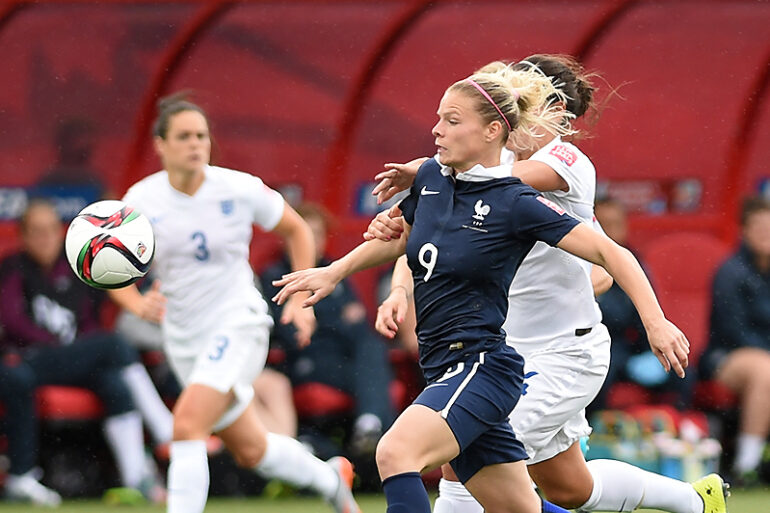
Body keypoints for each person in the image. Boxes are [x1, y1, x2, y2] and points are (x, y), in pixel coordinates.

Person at [272, 66, 689, 513]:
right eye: (440, 119)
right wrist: (375, 281)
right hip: (495, 351)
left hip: (542, 355)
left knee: (416, 460)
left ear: (505, 124)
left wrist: (655, 321)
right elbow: (418, 236)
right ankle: (693, 501)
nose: (437, 130)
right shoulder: (448, 178)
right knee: (567, 489)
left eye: (452, 121)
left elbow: (606, 254)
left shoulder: (545, 174)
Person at [367, 55, 726, 513]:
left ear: (554, 110)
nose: (513, 112)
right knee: (568, 486)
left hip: (563, 354)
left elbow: (492, 184)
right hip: (505, 352)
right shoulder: (483, 167)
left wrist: (429, 170)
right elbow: (434, 238)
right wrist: (400, 285)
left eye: (522, 100)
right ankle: (694, 502)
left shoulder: (565, 159)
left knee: (465, 457)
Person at [107, 94, 360, 513]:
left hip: (238, 323)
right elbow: (108, 267)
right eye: (184, 136)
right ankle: (330, 477)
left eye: (201, 136)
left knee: (186, 425)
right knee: (252, 450)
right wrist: (135, 304)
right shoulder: (140, 201)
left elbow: (297, 231)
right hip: (185, 339)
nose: (196, 144)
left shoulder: (237, 187)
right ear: (160, 144)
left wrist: (300, 299)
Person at [0, 199, 171, 506]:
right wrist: (63, 345)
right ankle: (164, 428)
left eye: (51, 230)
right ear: (23, 235)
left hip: (70, 361)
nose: (45, 238)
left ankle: (136, 478)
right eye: (36, 231)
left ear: (61, 232)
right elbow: (12, 321)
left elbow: (89, 323)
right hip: (31, 359)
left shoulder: (78, 268)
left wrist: (79, 349)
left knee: (113, 382)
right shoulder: (13, 268)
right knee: (113, 343)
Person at [260, 202, 394, 461]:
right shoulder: (275, 276)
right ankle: (368, 445)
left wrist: (321, 318)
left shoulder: (335, 269)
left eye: (317, 235)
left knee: (372, 346)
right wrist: (334, 318)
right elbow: (289, 331)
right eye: (304, 234)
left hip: (342, 362)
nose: (311, 242)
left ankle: (370, 429)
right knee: (368, 366)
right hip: (302, 362)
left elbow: (358, 324)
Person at [592, 197, 694, 412]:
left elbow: (646, 320)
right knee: (600, 372)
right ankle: (591, 435)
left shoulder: (636, 265)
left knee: (682, 368)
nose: (612, 231)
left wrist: (651, 350)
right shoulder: (582, 264)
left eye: (617, 224)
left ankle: (677, 432)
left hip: (630, 350)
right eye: (605, 224)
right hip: (599, 348)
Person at [701, 195, 770, 485]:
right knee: (765, 370)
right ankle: (747, 465)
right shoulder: (730, 271)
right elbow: (733, 331)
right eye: (759, 226)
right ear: (744, 230)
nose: (766, 233)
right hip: (725, 356)